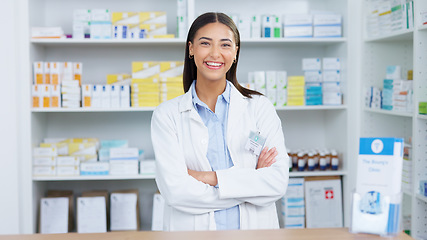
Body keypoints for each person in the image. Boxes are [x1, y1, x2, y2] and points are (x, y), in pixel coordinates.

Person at [151, 12, 289, 231]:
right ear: (191, 49)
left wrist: (208, 178)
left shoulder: (259, 108)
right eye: (205, 43)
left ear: (235, 52)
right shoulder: (167, 115)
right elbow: (176, 192)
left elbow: (277, 183)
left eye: (225, 45)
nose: (215, 53)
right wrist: (250, 184)